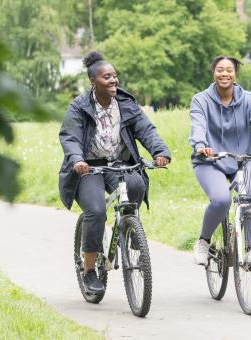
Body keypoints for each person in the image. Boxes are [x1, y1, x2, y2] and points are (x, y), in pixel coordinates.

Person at [59, 51, 171, 293]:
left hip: (118, 162)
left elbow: (146, 130)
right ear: (93, 82)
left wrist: (160, 152)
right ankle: (89, 270)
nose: (113, 80)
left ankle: (130, 229)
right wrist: (77, 159)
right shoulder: (79, 106)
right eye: (106, 77)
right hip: (89, 167)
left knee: (137, 185)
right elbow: (70, 137)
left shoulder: (126, 104)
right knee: (97, 210)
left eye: (115, 76)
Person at [189, 56, 251, 265]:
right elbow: (197, 125)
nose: (224, 74)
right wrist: (200, 146)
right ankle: (204, 241)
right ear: (213, 73)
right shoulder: (201, 100)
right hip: (210, 160)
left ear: (235, 74)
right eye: (220, 70)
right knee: (221, 200)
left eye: (229, 70)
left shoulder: (249, 99)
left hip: (242, 159)